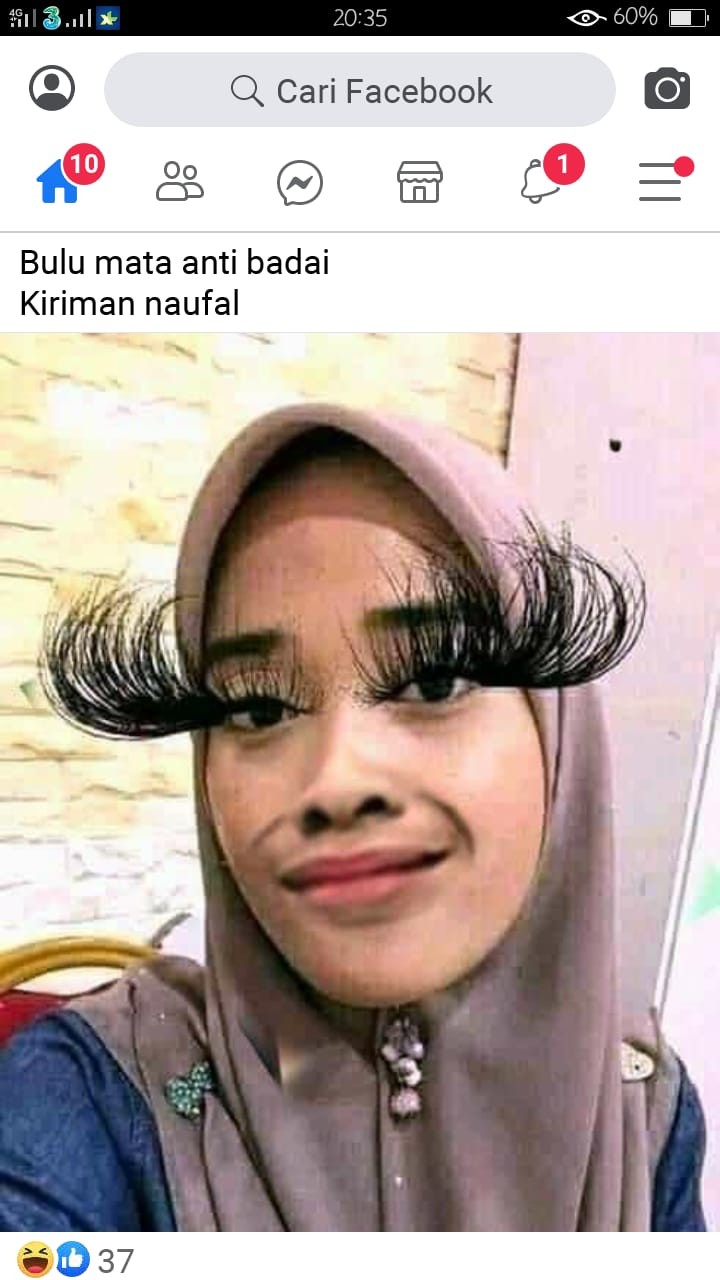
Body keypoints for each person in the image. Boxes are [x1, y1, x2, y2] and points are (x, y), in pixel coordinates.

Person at [0, 403, 707, 1230]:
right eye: (259, 709)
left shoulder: (643, 1114)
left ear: (557, 735)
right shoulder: (91, 1094)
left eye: (434, 682)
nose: (335, 781)